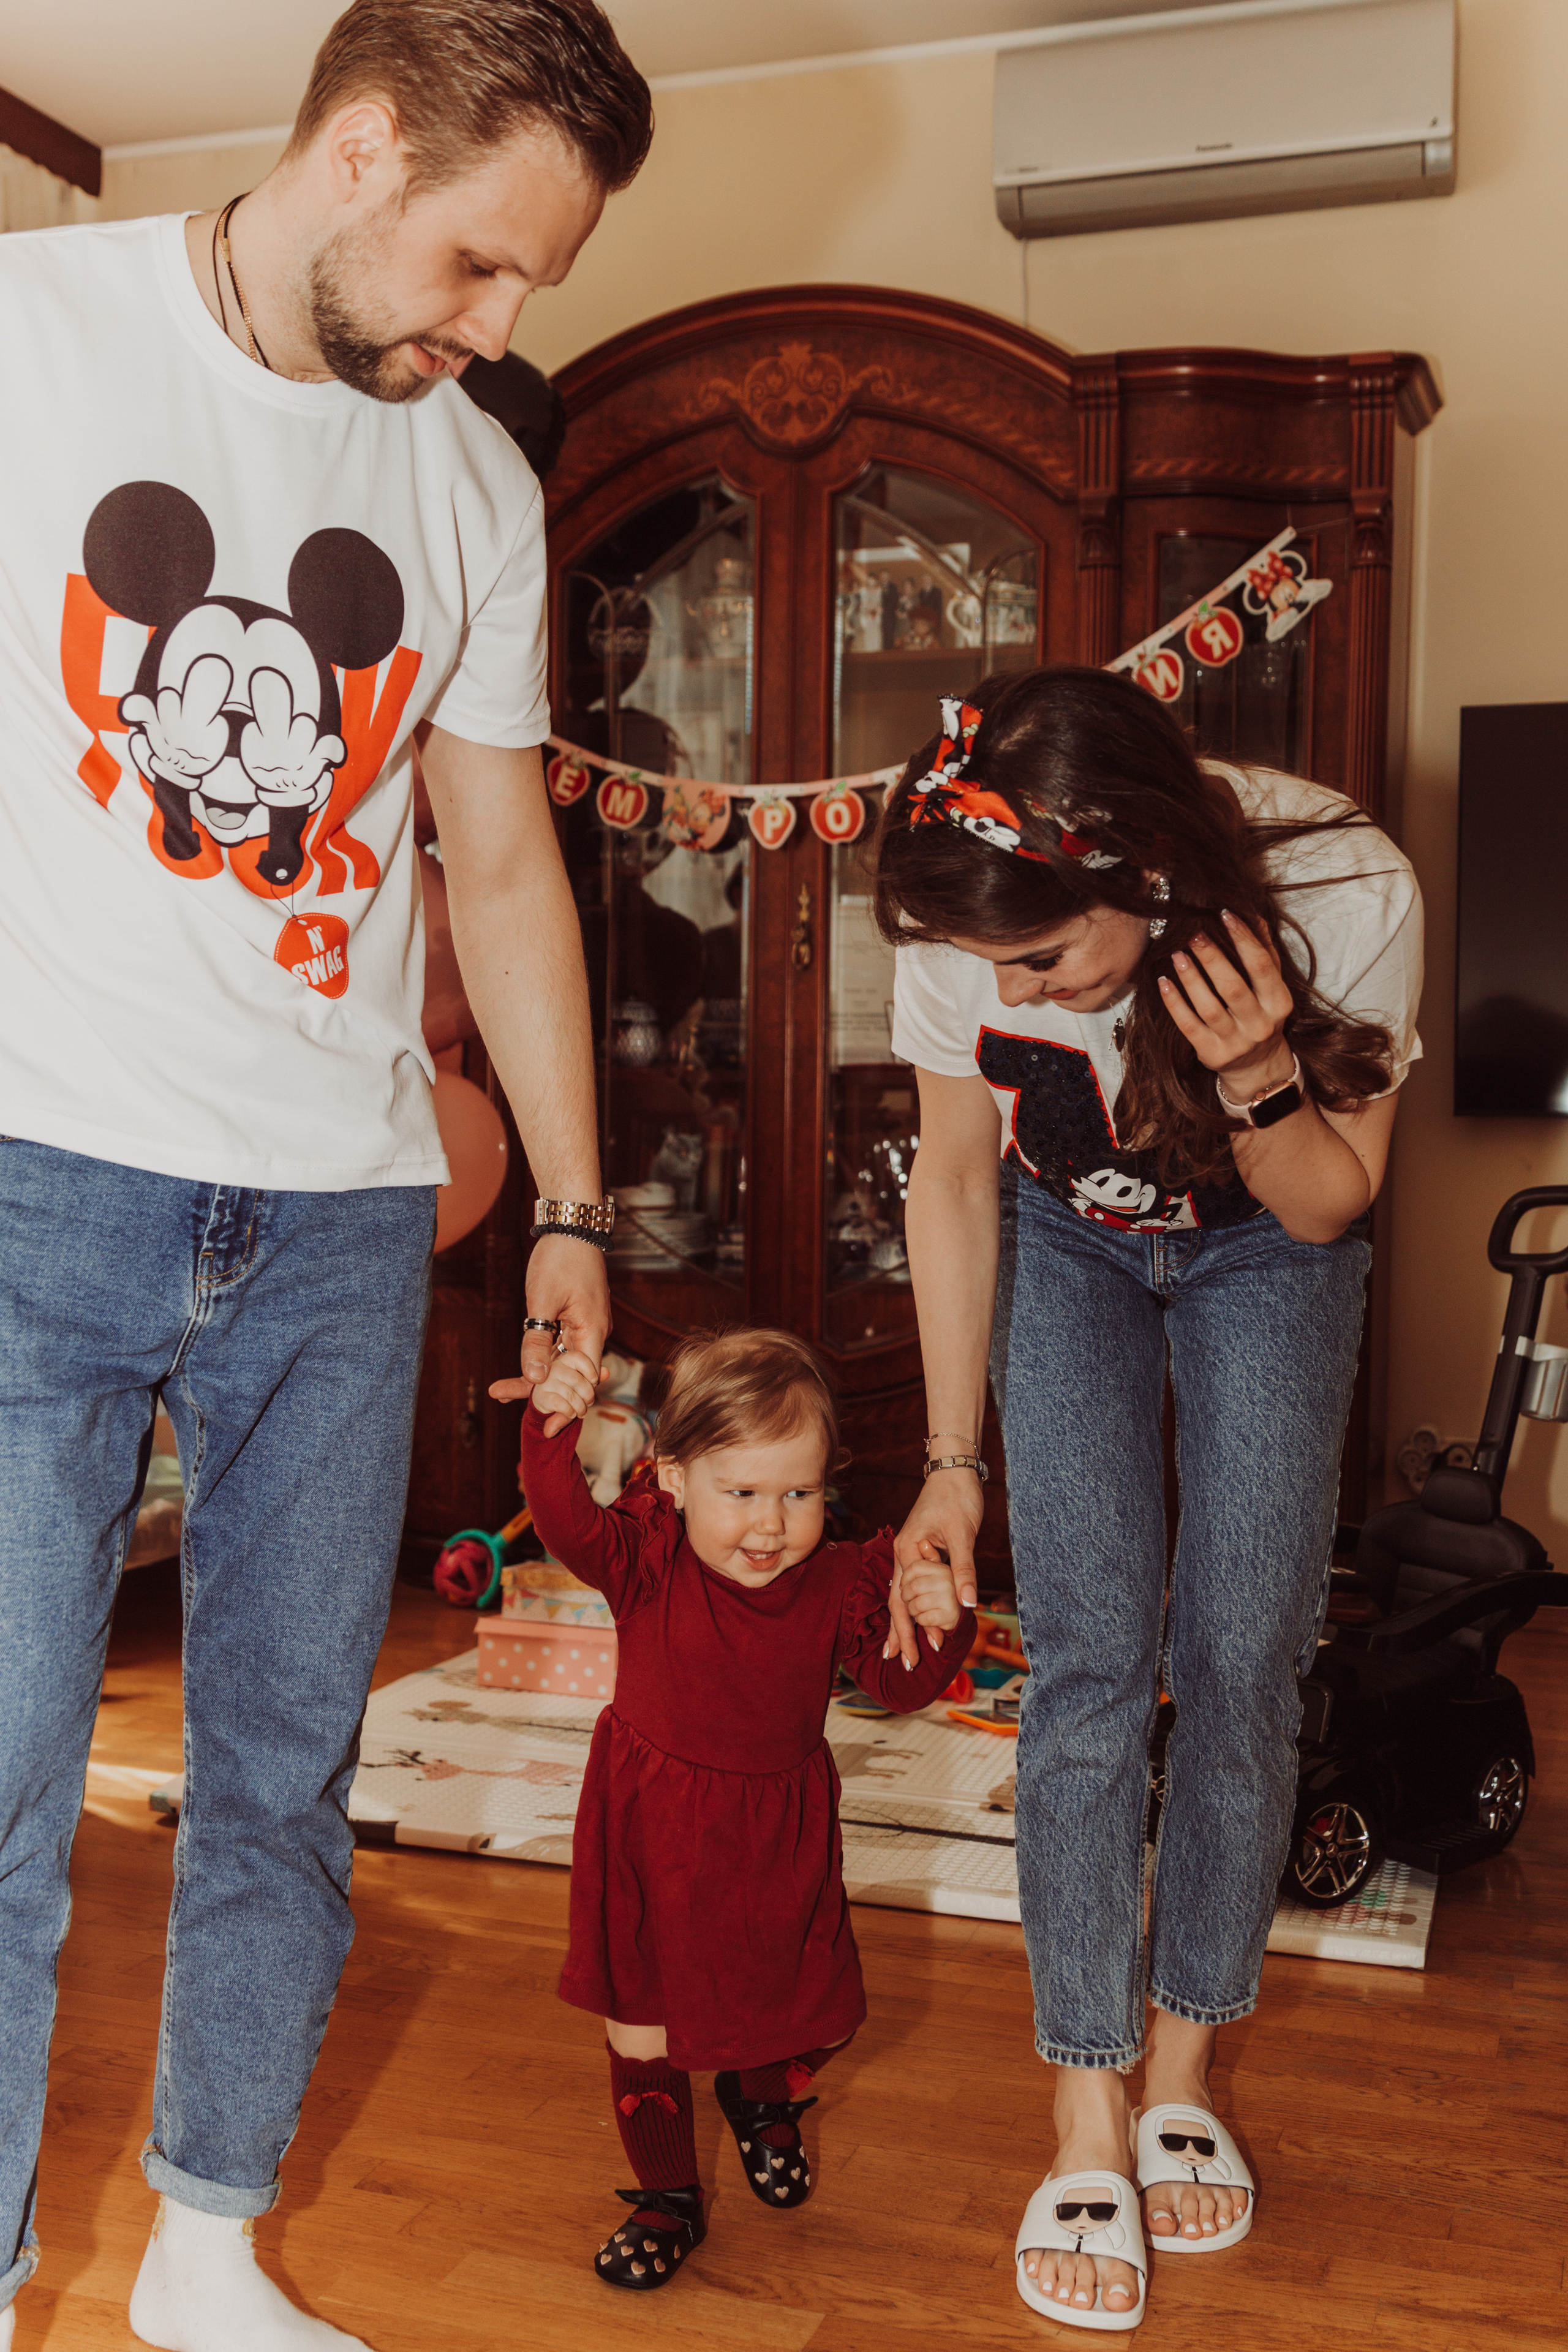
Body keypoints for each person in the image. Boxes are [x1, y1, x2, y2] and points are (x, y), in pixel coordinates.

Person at [0, 7, 652, 2350]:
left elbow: (498, 870)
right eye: (479, 268)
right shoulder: (24, 340)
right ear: (364, 150)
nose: (494, 333)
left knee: (280, 1778)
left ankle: (204, 2253)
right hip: (35, 1180)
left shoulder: (471, 480)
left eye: (525, 297)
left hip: (343, 1218)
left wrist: (569, 1202)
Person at [872, 668, 1422, 2331]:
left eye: (1039, 961)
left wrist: (1257, 1061)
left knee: (1243, 1653)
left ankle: (1190, 2053)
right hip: (1066, 1246)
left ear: (1137, 868)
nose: (1006, 984)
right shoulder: (959, 915)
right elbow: (957, 1181)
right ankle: (1088, 2103)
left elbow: (1331, 1205)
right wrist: (948, 1467)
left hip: (1268, 1247)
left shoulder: (1342, 884)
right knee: (1090, 1662)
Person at [520, 1328, 974, 2290]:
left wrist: (940, 1621)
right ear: (675, 1478)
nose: (771, 1527)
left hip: (778, 1842)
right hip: (650, 1834)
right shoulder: (647, 1560)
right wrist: (551, 1421)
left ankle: (760, 2091)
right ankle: (667, 2199)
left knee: (817, 2011)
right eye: (743, 1495)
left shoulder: (840, 1579)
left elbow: (898, 1686)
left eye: (799, 1494)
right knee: (642, 2031)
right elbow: (562, 1520)